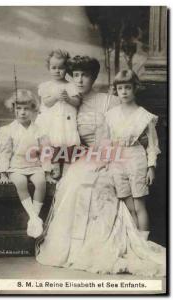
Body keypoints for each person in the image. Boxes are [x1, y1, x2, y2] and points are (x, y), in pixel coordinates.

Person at [36, 56, 165, 277]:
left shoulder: (109, 100)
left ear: (94, 77)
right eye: (75, 74)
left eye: (85, 75)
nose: (80, 80)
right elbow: (52, 132)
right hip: (78, 156)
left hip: (111, 155)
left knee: (102, 184)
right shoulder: (66, 100)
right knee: (76, 183)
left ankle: (115, 243)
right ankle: (75, 248)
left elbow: (122, 130)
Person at [106, 69, 161, 237]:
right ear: (116, 89)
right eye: (120, 88)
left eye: (128, 87)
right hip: (117, 160)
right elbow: (108, 141)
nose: (124, 91)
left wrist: (151, 168)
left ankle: (143, 245)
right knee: (128, 204)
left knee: (139, 205)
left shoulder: (144, 116)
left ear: (135, 88)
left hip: (136, 159)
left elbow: (152, 145)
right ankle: (135, 242)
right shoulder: (111, 114)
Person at [0, 89, 52, 239]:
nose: (22, 112)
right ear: (13, 110)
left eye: (26, 108)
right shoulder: (8, 130)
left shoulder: (39, 130)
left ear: (33, 109)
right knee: (20, 182)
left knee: (41, 183)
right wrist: (3, 173)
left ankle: (34, 219)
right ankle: (34, 218)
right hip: (16, 167)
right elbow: (4, 153)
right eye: (18, 108)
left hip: (35, 166)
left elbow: (46, 153)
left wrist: (47, 172)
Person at [36, 49, 81, 178]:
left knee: (68, 143)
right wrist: (55, 97)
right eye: (53, 67)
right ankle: (54, 165)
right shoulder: (46, 86)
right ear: (49, 68)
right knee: (53, 143)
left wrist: (69, 99)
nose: (57, 71)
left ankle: (67, 166)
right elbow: (46, 102)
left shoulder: (72, 86)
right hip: (52, 121)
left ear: (67, 69)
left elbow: (77, 102)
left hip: (66, 121)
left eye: (61, 68)